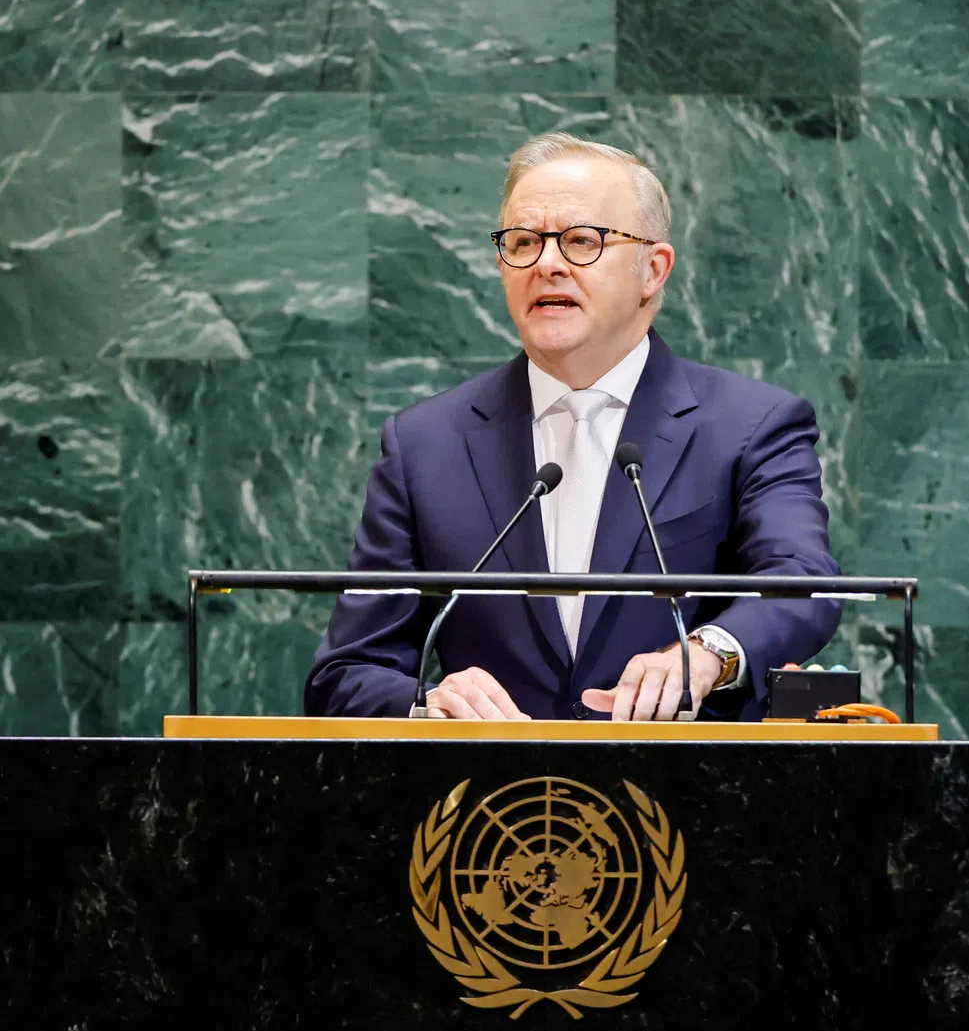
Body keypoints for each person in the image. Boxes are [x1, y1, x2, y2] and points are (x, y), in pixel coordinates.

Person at [304, 133, 841, 722]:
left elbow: (802, 585)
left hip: (688, 796)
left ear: (653, 270)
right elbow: (347, 673)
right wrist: (425, 706)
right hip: (488, 805)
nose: (547, 263)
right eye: (523, 243)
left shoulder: (751, 425)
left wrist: (706, 652)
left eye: (583, 241)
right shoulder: (425, 445)